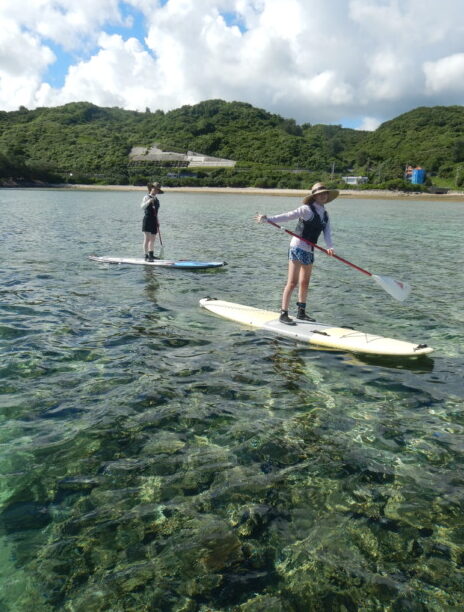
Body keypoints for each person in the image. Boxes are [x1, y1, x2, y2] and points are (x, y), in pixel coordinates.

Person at [255, 182, 339, 325]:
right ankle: (284, 313)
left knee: (305, 283)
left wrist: (330, 247)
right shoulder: (306, 209)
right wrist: (268, 219)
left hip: (310, 249)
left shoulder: (325, 214)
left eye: (325, 194)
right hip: (297, 247)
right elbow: (287, 216)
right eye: (320, 194)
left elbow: (327, 233)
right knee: (293, 282)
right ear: (314, 196)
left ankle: (301, 313)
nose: (323, 196)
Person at [141, 182, 164, 261]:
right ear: (151, 188)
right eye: (155, 188)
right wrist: (149, 201)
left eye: (157, 189)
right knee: (147, 238)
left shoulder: (157, 199)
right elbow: (142, 207)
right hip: (147, 219)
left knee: (153, 239)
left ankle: (151, 255)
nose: (156, 190)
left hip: (154, 220)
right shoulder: (146, 197)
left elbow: (156, 212)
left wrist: (157, 221)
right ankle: (146, 256)